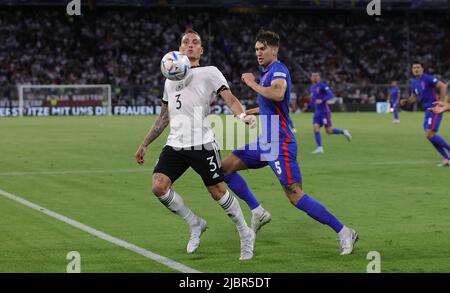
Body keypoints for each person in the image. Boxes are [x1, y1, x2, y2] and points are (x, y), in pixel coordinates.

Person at [222, 29, 358, 255]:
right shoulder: (267, 73)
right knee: (224, 169)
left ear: (275, 50)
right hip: (264, 142)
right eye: (256, 49)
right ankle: (257, 211)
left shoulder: (278, 70)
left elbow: (276, 94)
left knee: (295, 195)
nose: (258, 52)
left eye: (263, 48)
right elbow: (270, 106)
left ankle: (344, 232)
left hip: (280, 144)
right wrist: (248, 113)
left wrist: (252, 83)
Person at [135, 29, 258, 260]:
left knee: (218, 192)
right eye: (185, 42)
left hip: (202, 142)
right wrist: (145, 143)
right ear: (179, 49)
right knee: (159, 186)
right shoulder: (169, 79)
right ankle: (195, 223)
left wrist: (242, 116)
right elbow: (164, 117)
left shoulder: (209, 72)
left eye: (195, 42)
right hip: (175, 144)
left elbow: (229, 98)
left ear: (201, 49)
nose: (190, 45)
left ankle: (245, 232)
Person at [400, 62, 450, 167]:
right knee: (429, 136)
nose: (416, 69)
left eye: (418, 67)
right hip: (427, 111)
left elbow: (443, 86)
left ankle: (447, 157)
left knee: (429, 134)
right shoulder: (414, 82)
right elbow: (414, 96)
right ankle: (447, 158)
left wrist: (441, 103)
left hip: (434, 109)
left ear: (422, 69)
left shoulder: (428, 78)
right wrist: (407, 101)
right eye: (414, 68)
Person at [302, 72, 352, 154]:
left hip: (325, 112)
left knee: (328, 131)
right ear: (311, 78)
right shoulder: (312, 88)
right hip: (317, 113)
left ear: (319, 77)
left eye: (316, 76)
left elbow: (331, 95)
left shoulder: (322, 86)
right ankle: (320, 148)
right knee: (315, 128)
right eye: (313, 76)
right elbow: (313, 100)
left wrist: (322, 100)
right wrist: (307, 106)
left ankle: (344, 132)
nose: (314, 77)